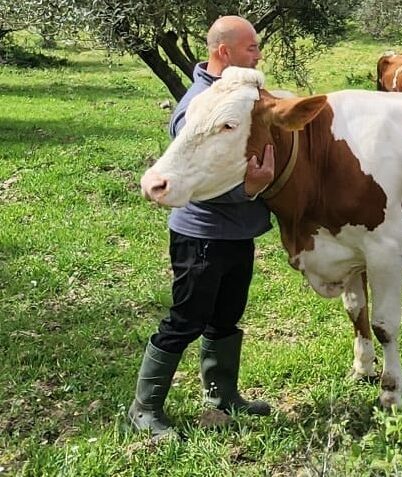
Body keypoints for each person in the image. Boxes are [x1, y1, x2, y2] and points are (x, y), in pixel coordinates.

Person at [128, 15, 275, 438]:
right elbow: (193, 181)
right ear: (223, 52)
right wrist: (250, 187)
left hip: (236, 234)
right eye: (251, 48)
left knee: (226, 318)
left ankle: (222, 397)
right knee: (186, 320)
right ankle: (145, 408)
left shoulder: (235, 95)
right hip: (202, 236)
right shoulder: (198, 106)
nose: (258, 54)